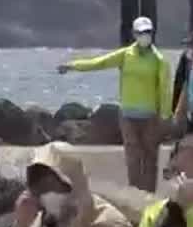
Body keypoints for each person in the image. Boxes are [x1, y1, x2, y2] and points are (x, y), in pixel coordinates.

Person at [57, 17, 170, 192]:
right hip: (128, 115)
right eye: (140, 32)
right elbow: (99, 62)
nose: (144, 36)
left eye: (147, 32)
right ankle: (135, 192)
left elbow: (164, 89)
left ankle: (149, 193)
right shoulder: (125, 55)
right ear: (134, 34)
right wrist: (72, 66)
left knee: (150, 157)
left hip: (150, 116)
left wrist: (165, 116)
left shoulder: (159, 59)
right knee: (132, 156)